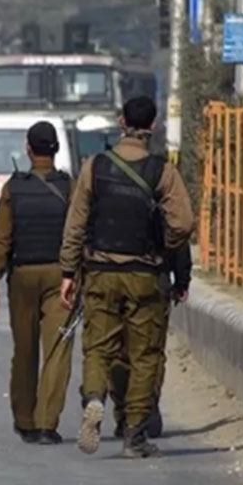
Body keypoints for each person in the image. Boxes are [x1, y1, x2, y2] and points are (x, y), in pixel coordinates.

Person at [59, 96, 194, 459]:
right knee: (145, 354)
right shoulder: (162, 171)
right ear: (154, 126)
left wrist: (69, 272)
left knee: (98, 348)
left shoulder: (94, 166)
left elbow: (75, 223)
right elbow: (183, 223)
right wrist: (163, 246)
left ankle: (93, 397)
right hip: (144, 274)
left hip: (101, 272)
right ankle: (134, 435)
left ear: (121, 122)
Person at [0, 121, 74, 446]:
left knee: (24, 349)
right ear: (56, 149)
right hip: (60, 276)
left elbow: (1, 238)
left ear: (28, 149)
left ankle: (25, 420)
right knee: (57, 349)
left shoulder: (14, 189)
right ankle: (47, 423)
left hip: (22, 276)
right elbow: (78, 232)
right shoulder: (69, 187)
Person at [110, 244, 192, 439]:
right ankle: (146, 407)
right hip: (154, 277)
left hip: (110, 276)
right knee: (150, 351)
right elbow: (178, 235)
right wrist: (181, 280)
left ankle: (124, 411)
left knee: (116, 349)